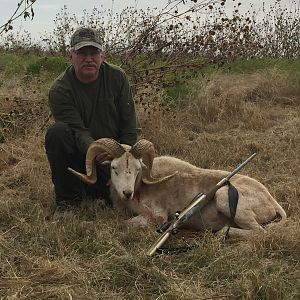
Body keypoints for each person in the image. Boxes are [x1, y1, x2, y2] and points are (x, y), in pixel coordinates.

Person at [45, 27, 140, 214]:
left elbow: (130, 127)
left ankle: (101, 191)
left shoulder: (117, 77)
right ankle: (67, 202)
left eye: (94, 52)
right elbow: (78, 131)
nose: (88, 58)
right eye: (81, 53)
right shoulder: (60, 90)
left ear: (102, 55)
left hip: (115, 158)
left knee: (130, 192)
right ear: (70, 55)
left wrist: (122, 162)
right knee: (57, 133)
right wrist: (97, 152)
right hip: (84, 157)